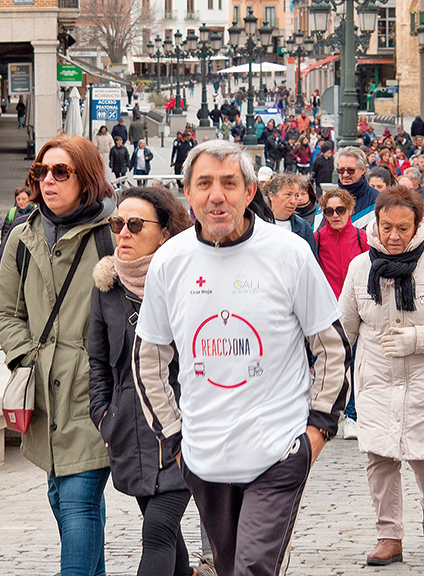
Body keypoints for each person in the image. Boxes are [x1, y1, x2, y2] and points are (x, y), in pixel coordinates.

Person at [131, 140, 350, 576]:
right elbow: (149, 359)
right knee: (230, 567)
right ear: (187, 194)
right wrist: (174, 440)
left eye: (229, 183)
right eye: (205, 184)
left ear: (250, 192)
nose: (217, 195)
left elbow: (331, 345)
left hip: (278, 453)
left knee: (253, 568)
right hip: (203, 458)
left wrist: (317, 431)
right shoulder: (170, 261)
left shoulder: (288, 253)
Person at [0, 135, 117, 576]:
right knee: (61, 496)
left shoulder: (114, 234)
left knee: (79, 498)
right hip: (43, 392)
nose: (47, 180)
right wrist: (27, 358)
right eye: (40, 172)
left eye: (60, 172)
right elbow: (4, 312)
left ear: (85, 179)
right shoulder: (22, 238)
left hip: (95, 389)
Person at [339, 185, 424, 566]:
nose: (393, 236)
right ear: (376, 224)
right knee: (379, 457)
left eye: (403, 229)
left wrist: (418, 338)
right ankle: (388, 535)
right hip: (375, 378)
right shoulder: (360, 268)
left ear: (418, 226)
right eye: (387, 227)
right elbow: (343, 329)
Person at [88, 185, 196, 576]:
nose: (124, 233)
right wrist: (104, 416)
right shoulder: (106, 288)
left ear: (165, 232)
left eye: (135, 224)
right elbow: (98, 361)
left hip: (182, 431)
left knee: (157, 530)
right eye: (118, 223)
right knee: (167, 536)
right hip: (129, 431)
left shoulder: (190, 283)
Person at [268, 172, 318, 257]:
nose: (293, 201)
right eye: (288, 195)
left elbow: (311, 262)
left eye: (296, 196)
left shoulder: (303, 227)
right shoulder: (259, 224)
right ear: (272, 196)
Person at [337, 146, 380, 229]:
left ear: (363, 169)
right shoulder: (327, 201)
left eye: (351, 170)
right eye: (341, 170)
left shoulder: (378, 201)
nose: (345, 174)